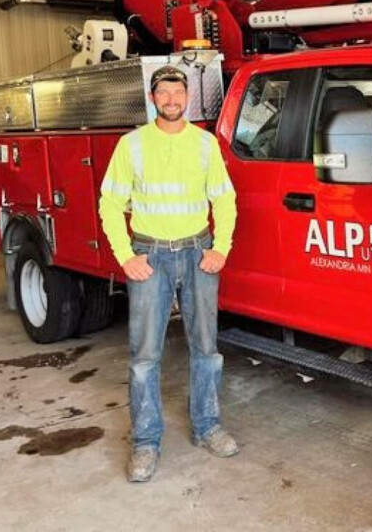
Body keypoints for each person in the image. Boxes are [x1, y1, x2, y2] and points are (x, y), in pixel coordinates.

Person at [99, 64, 239, 483]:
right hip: (150, 257)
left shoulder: (205, 144)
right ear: (152, 97)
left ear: (188, 98)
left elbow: (225, 199)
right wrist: (126, 256)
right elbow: (109, 203)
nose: (172, 100)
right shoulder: (132, 145)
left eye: (179, 93)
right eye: (164, 93)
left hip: (198, 253)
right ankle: (145, 441)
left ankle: (208, 426)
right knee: (144, 357)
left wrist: (220, 248)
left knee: (206, 350)